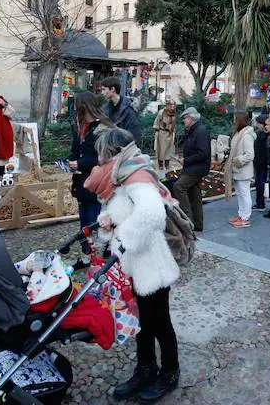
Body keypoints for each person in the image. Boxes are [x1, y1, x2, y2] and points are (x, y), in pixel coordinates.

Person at [85, 128, 181, 400]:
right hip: (133, 267)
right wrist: (110, 223)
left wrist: (124, 238)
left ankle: (170, 372)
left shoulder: (135, 177)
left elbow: (152, 214)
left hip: (150, 267)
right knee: (142, 323)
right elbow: (125, 213)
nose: (99, 159)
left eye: (102, 152)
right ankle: (146, 367)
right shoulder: (123, 176)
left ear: (112, 151)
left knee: (159, 323)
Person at [69, 92, 116, 229]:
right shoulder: (80, 125)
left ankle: (93, 244)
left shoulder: (103, 127)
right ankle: (86, 243)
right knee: (83, 215)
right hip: (81, 178)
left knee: (93, 218)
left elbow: (106, 157)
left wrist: (81, 163)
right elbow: (76, 150)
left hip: (97, 179)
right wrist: (71, 161)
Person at [173, 107, 210, 232]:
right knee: (195, 194)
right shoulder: (193, 130)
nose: (183, 120)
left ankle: (188, 220)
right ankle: (198, 224)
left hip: (196, 168)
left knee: (179, 186)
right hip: (193, 167)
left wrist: (186, 160)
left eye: (185, 118)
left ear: (191, 118)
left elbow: (203, 153)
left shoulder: (200, 131)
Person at [225, 113, 256, 228]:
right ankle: (241, 214)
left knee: (244, 193)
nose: (233, 121)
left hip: (242, 170)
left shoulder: (246, 135)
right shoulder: (239, 133)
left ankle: (245, 218)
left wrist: (236, 160)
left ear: (240, 121)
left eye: (235, 119)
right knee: (239, 193)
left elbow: (249, 155)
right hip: (237, 169)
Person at [100, 76, 142, 141]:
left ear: (112, 89)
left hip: (125, 148)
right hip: (109, 147)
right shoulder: (105, 108)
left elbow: (135, 133)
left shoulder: (129, 109)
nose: (102, 93)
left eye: (104, 89)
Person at [153, 103, 176, 171]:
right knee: (161, 150)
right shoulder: (161, 112)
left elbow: (174, 123)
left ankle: (167, 164)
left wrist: (173, 131)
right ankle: (160, 164)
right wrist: (157, 131)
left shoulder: (173, 113)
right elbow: (157, 122)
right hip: (162, 133)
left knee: (168, 150)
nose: (172, 107)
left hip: (170, 133)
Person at [253, 115, 269, 211]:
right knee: (259, 183)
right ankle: (259, 202)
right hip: (260, 162)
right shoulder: (261, 134)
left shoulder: (261, 135)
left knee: (260, 183)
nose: (256, 124)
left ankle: (260, 203)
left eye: (257, 123)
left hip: (261, 162)